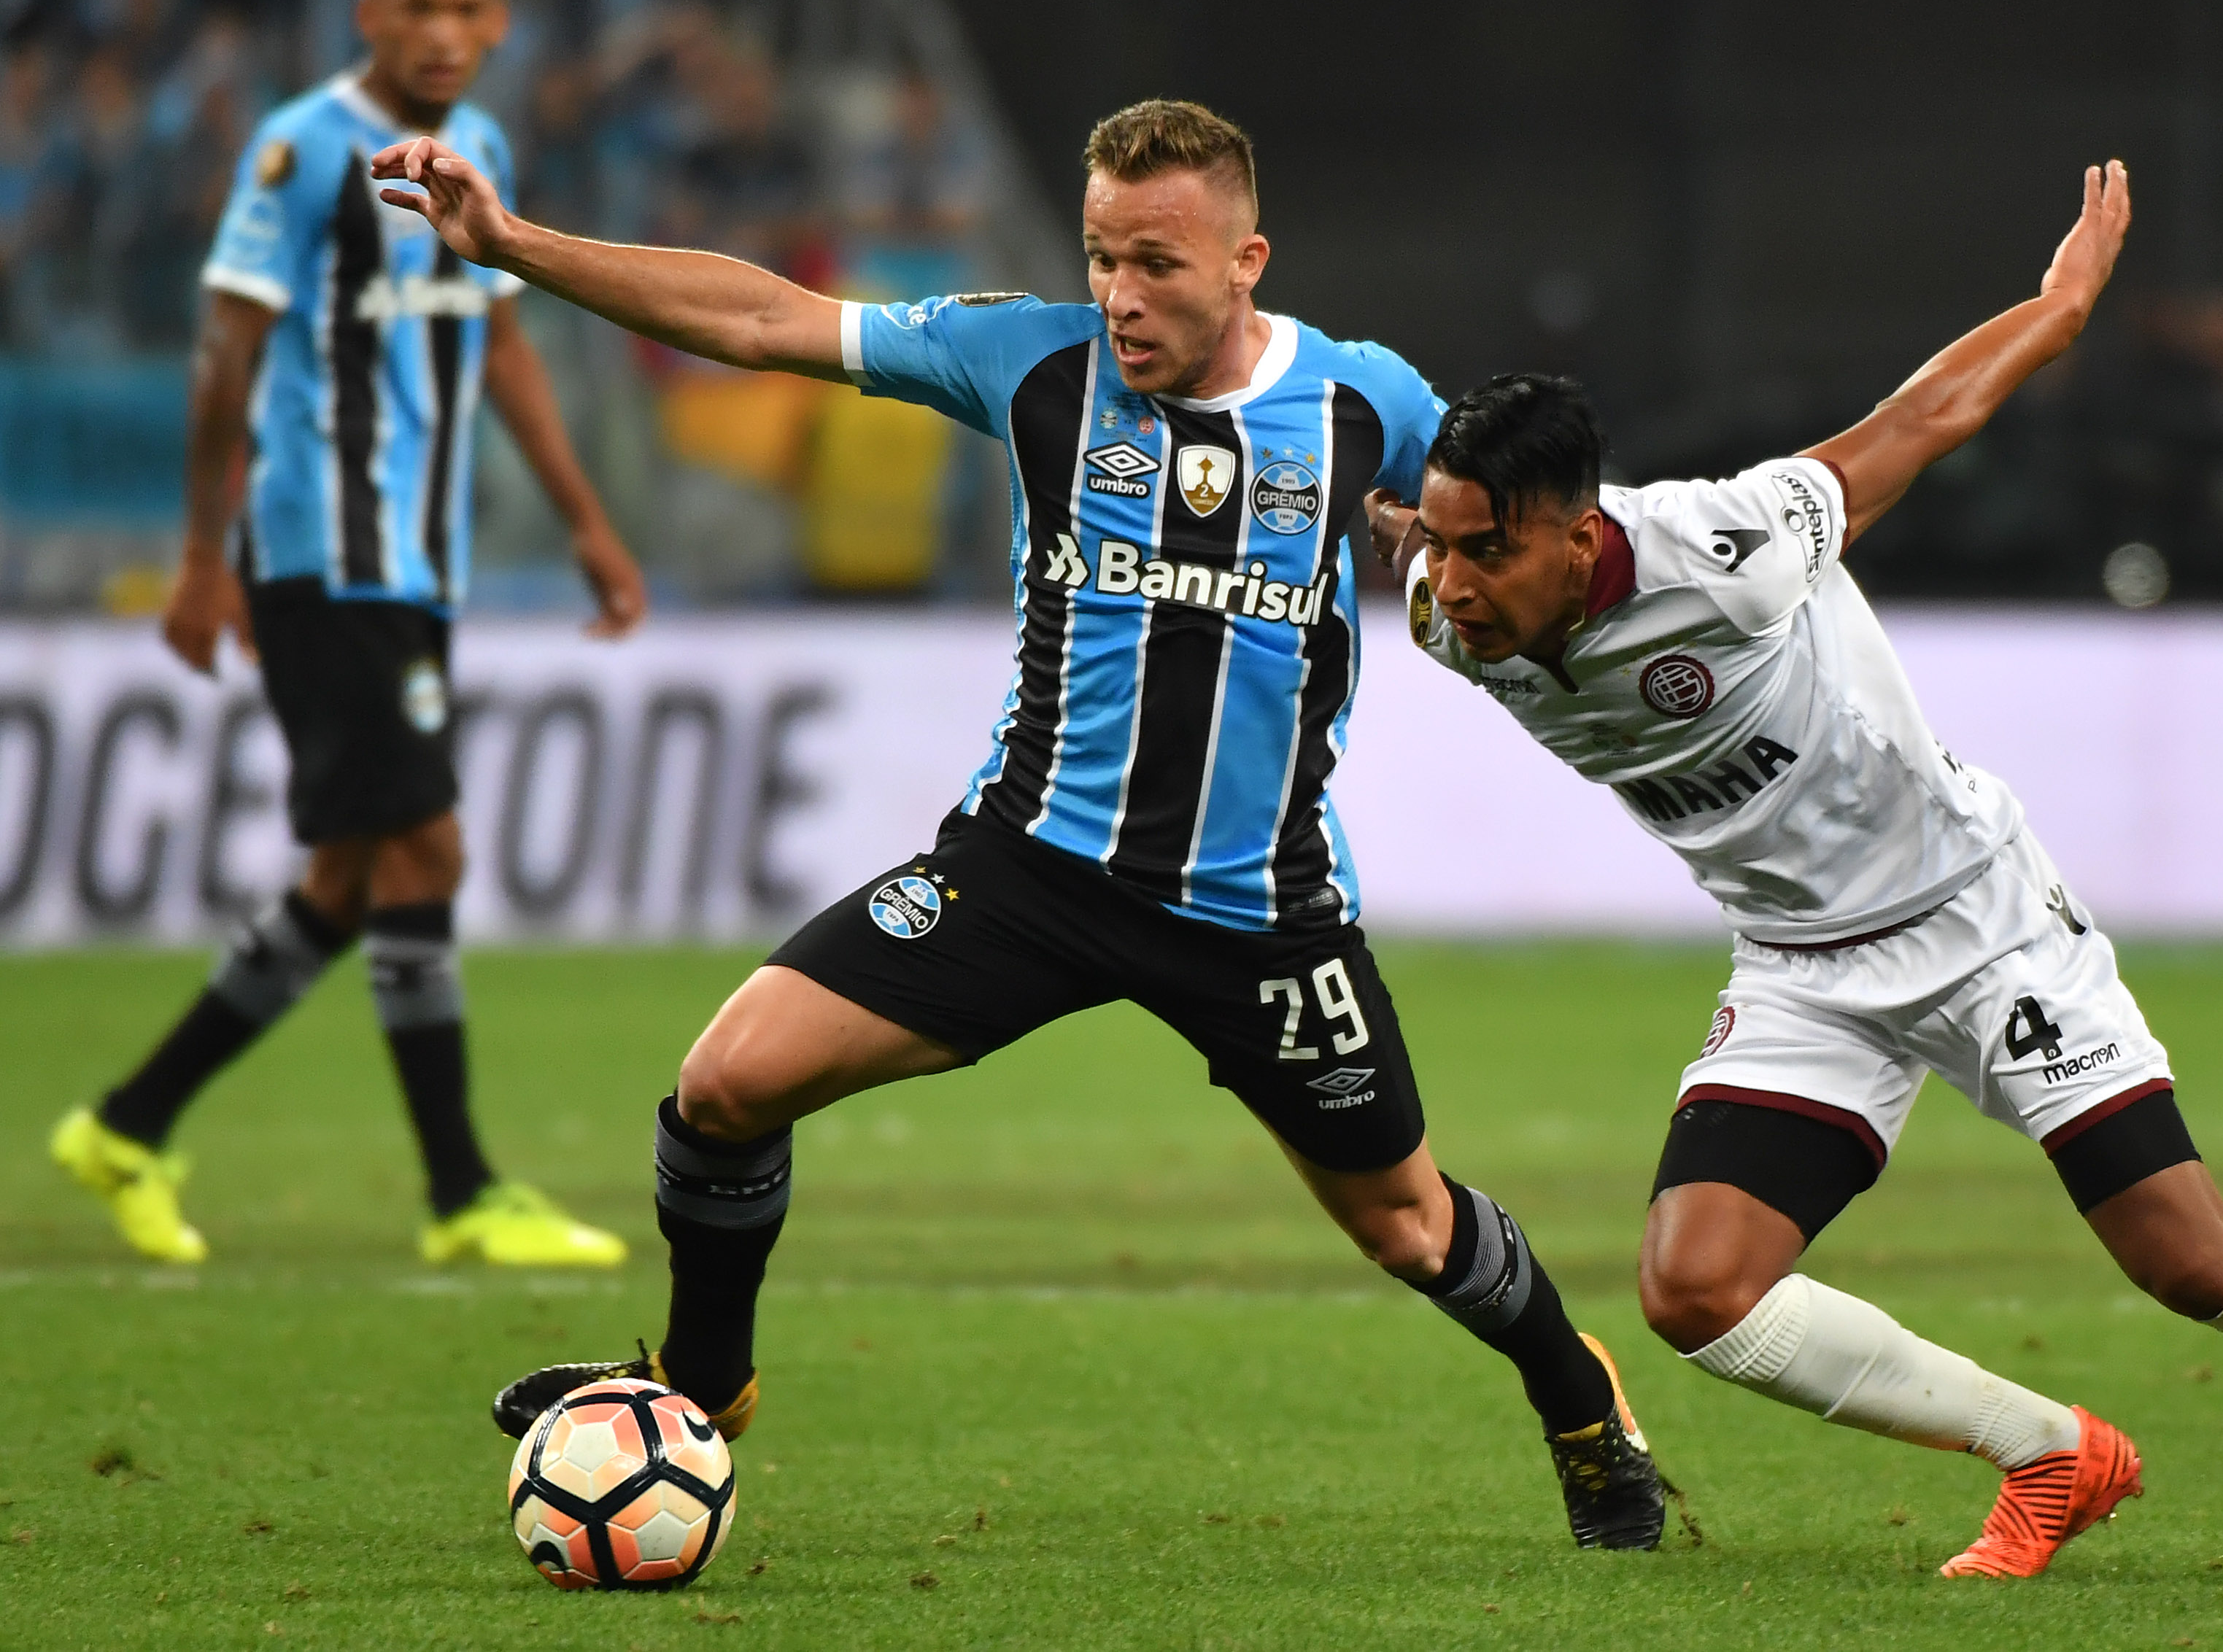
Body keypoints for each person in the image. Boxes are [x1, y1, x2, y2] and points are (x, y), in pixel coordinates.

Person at [368, 96, 1672, 1550]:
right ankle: (703, 1384)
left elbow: (1525, 522)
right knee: (724, 1085)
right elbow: (760, 322)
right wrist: (509, 244)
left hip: (1258, 907)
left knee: (1407, 1228)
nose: (1121, 294)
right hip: (1028, 869)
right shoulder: (1028, 360)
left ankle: (1579, 1399)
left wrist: (1512, 580)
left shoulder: (1363, 401)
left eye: (1159, 264)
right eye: (1104, 255)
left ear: (1247, 259)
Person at [1367, 161, 2223, 1586]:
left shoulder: (1723, 548)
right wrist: (1380, 520)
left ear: (1579, 531)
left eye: (1485, 551)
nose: (1451, 589)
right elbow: (1399, 539)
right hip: (1802, 968)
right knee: (1694, 1289)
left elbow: (1918, 423)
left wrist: (2058, 306)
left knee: (2186, 1259)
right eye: (1440, 548)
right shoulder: (1448, 615)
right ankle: (2048, 1451)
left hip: (1978, 923)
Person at [50, 0, 646, 1271]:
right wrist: (205, 559)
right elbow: (223, 359)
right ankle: (462, 1191)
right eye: (417, 9)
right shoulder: (302, 149)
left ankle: (128, 1124)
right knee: (425, 851)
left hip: (418, 562)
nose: (443, 34)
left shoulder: (479, 154)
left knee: (345, 874)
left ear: (497, 26)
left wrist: (588, 525)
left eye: (466, 12)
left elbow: (503, 355)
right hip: (320, 551)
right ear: (370, 17)